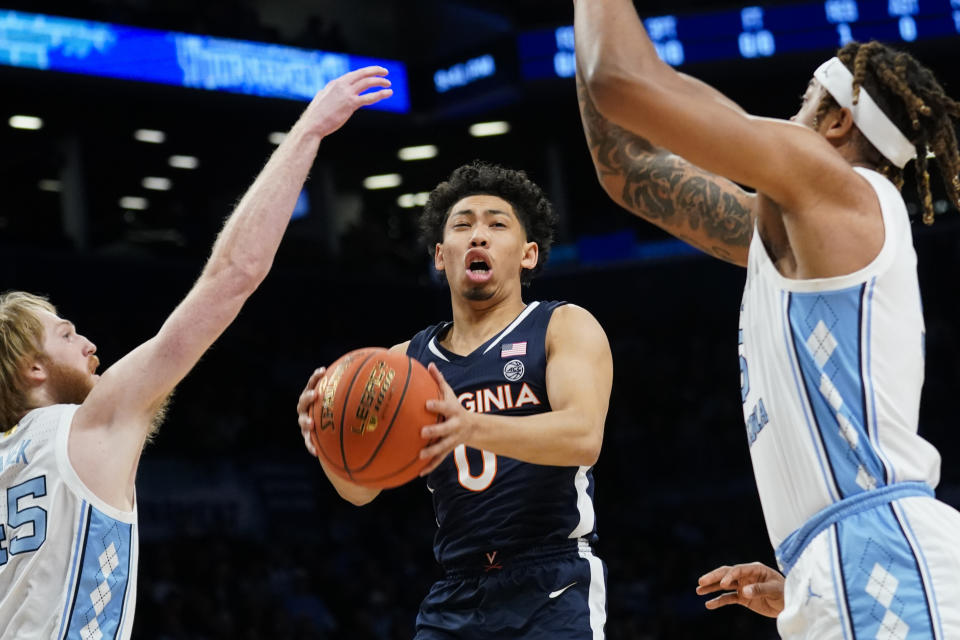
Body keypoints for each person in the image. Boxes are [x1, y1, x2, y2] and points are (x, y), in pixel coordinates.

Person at [574, 0, 960, 637]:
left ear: (836, 121)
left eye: (804, 100)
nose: (790, 117)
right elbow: (631, 170)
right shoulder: (810, 227)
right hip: (848, 564)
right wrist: (806, 581)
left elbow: (624, 81)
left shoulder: (834, 185)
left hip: (883, 562)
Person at [0, 65, 393, 638]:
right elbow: (232, 276)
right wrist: (308, 130)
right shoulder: (86, 426)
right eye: (63, 334)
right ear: (30, 369)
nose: (88, 343)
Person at [297, 161, 613, 639]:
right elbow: (358, 490)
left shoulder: (561, 326)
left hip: (552, 579)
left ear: (528, 254)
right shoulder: (405, 362)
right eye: (463, 226)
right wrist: (327, 438)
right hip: (456, 593)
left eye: (496, 224)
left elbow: (583, 436)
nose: (478, 236)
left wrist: (470, 426)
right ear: (441, 256)